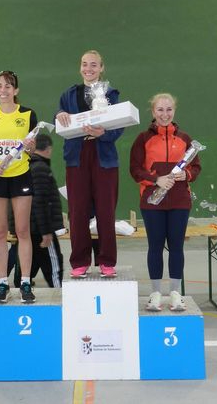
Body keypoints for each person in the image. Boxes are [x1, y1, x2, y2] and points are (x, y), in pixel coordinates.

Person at [129, 93, 201, 312]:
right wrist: (156, 180)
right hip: (152, 202)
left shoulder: (186, 139)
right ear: (153, 112)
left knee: (177, 247)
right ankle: (156, 294)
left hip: (180, 201)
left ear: (174, 111)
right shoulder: (143, 139)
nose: (165, 114)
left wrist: (186, 174)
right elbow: (135, 169)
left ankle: (176, 294)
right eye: (160, 109)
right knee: (155, 246)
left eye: (169, 109)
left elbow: (196, 167)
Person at [55, 50, 123, 278]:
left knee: (106, 211)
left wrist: (104, 133)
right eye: (85, 64)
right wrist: (60, 114)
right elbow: (60, 117)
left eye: (94, 65)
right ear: (80, 67)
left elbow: (119, 126)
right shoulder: (68, 94)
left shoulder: (111, 94)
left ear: (101, 68)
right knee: (77, 211)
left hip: (104, 156)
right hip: (77, 156)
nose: (89, 69)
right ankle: (79, 262)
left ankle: (107, 262)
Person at [0, 70, 37, 303]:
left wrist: (30, 146)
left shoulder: (28, 114)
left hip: (21, 176)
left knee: (22, 231)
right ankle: (2, 283)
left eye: (8, 86)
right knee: (0, 232)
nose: (3, 90)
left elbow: (32, 148)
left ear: (16, 90)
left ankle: (25, 282)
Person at [6, 133, 65, 288]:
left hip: (26, 229)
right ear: (48, 149)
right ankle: (59, 297)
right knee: (54, 268)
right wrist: (46, 232)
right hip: (39, 230)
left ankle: (21, 293)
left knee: (28, 266)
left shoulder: (22, 167)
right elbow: (40, 202)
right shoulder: (40, 168)